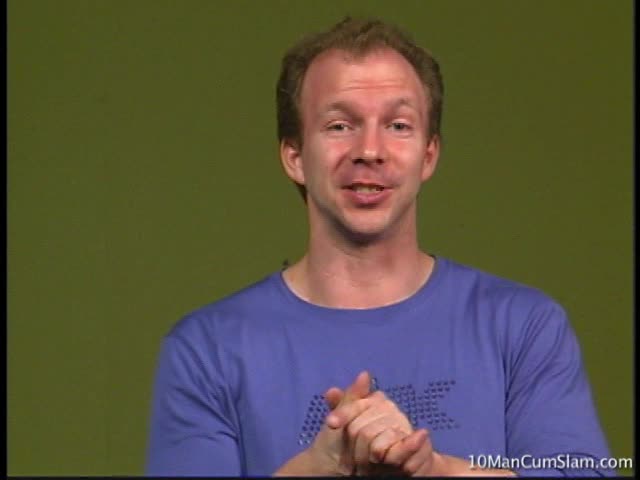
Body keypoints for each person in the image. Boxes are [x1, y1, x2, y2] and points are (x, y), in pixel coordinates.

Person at [145, 17, 613, 476]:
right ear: (295, 157)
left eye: (398, 125)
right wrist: (316, 470)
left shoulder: (525, 327)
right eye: (339, 126)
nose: (370, 150)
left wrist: (436, 471)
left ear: (428, 155)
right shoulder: (207, 349)